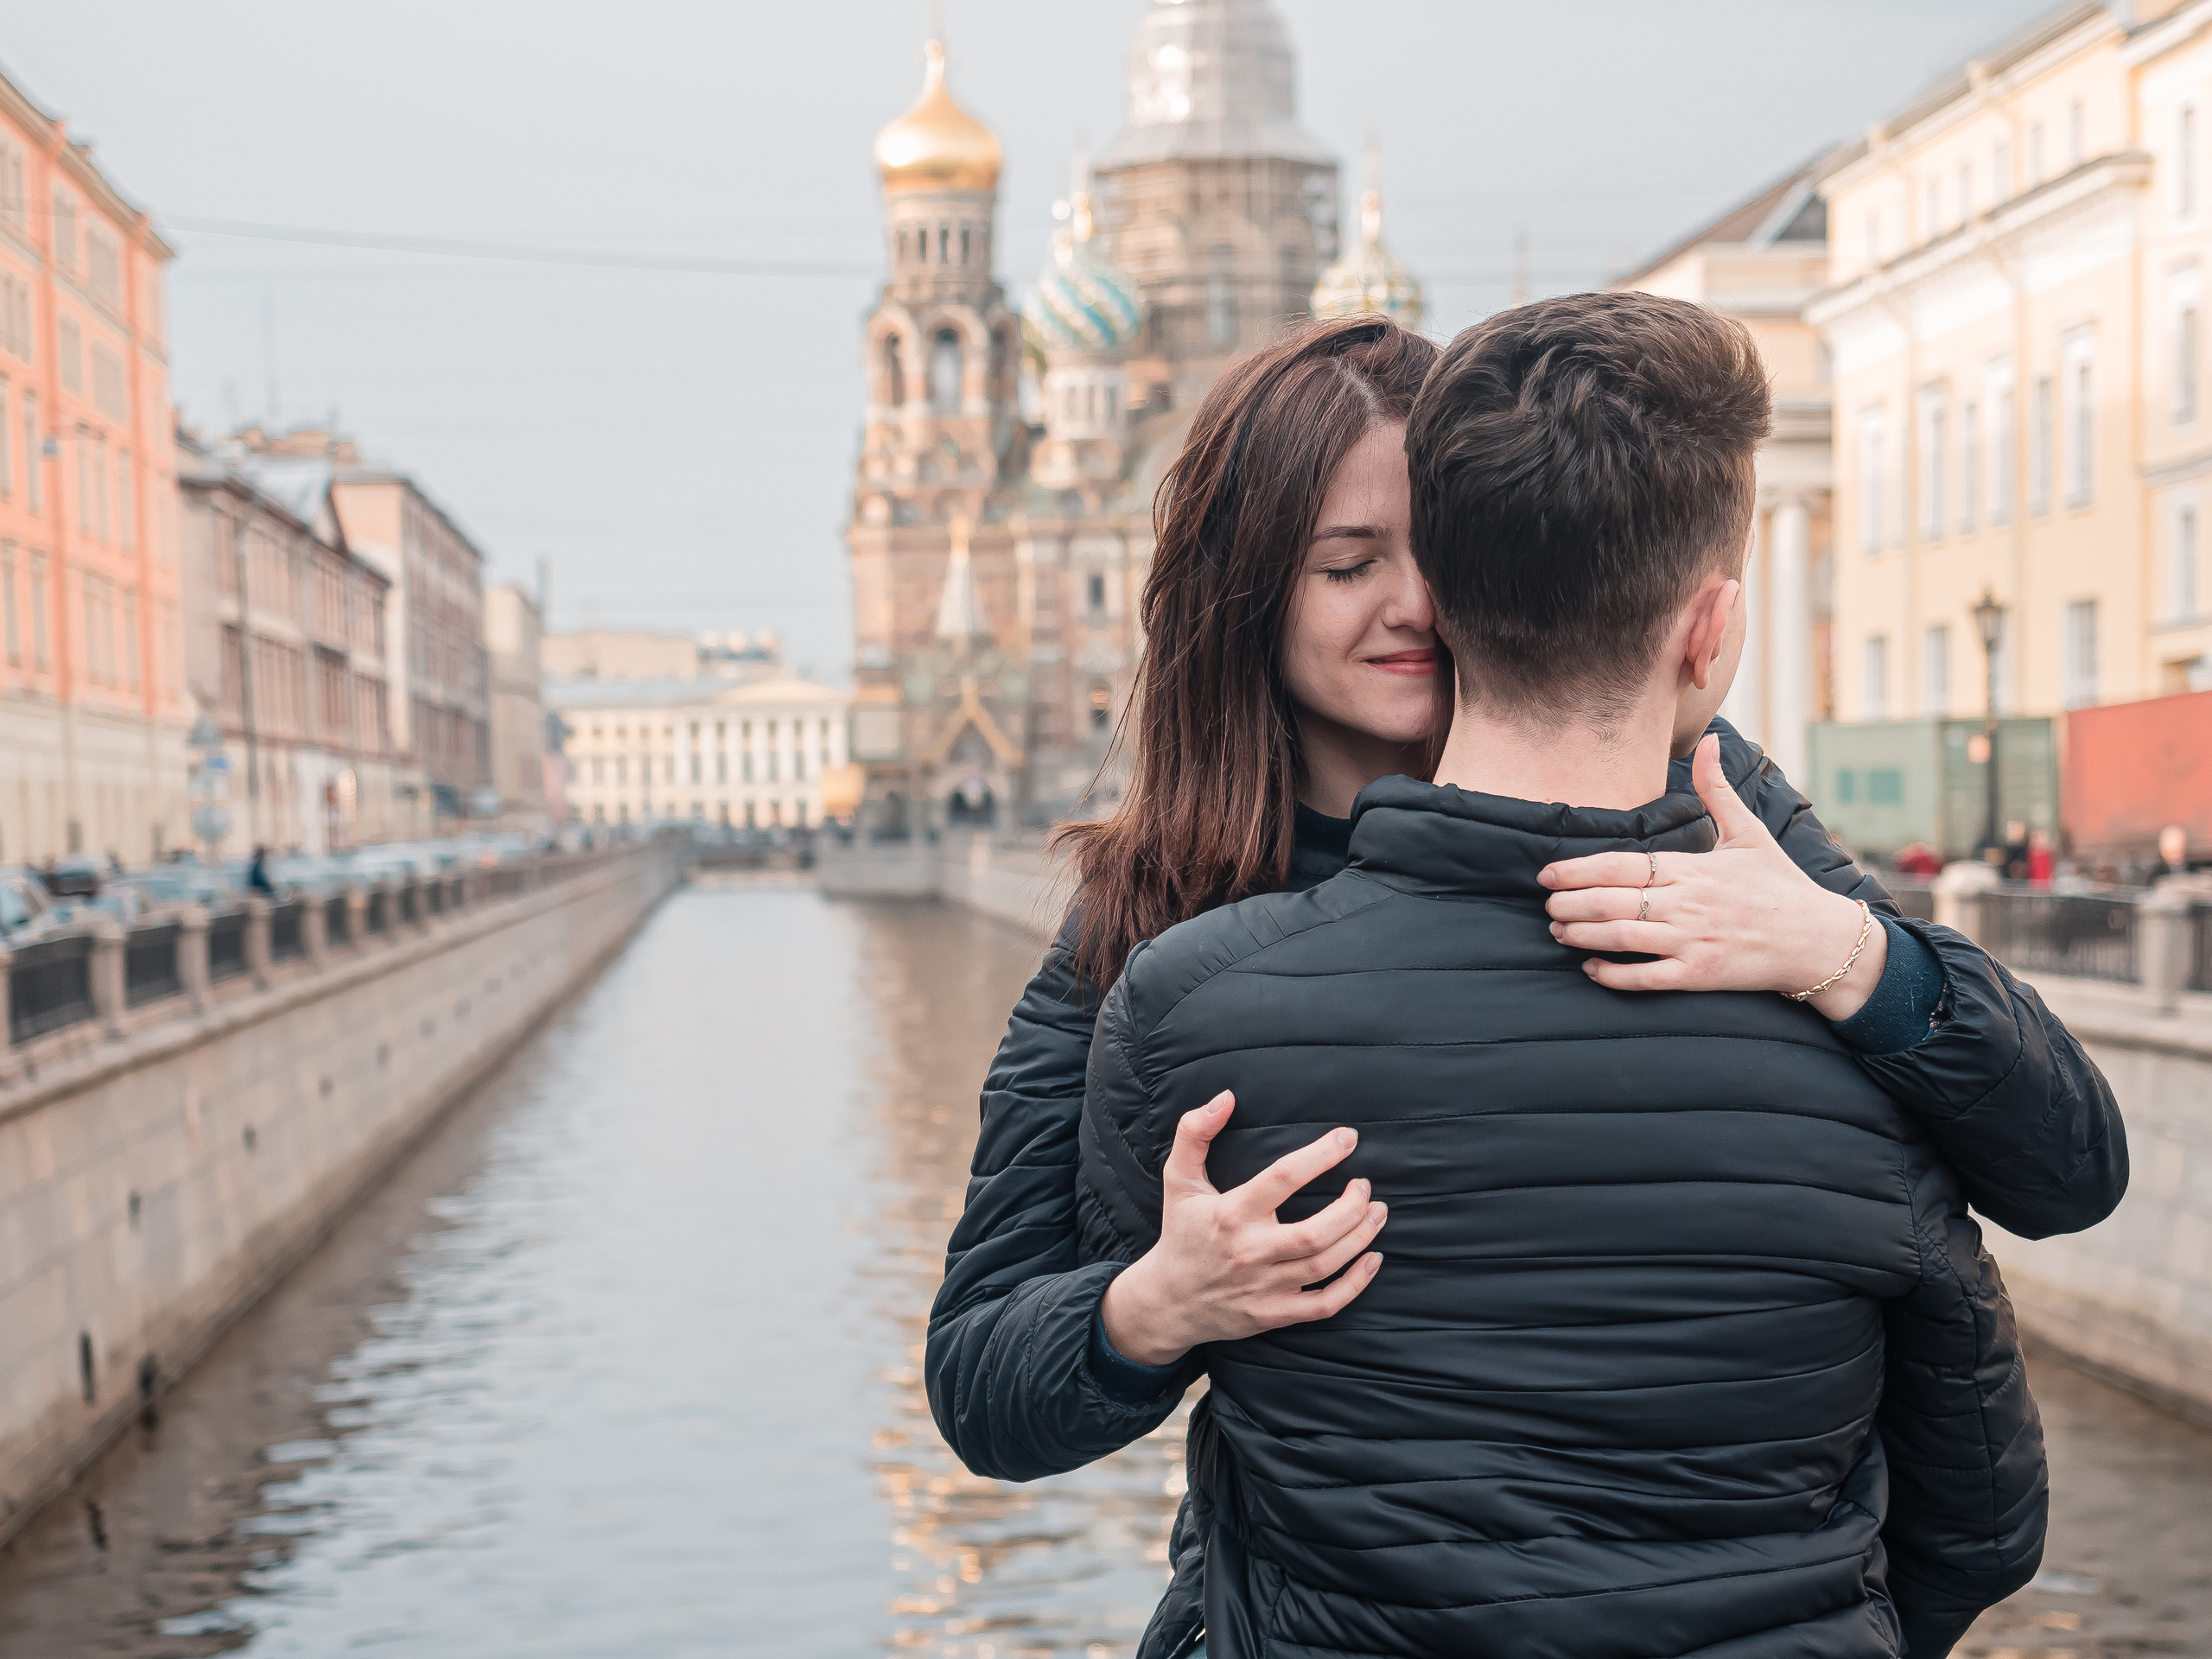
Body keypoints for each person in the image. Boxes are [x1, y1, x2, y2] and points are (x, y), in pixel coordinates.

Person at [924, 316, 2120, 1648]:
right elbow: (982, 1388)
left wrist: (1859, 958)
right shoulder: (1152, 921)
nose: (1416, 605)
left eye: (1442, 548)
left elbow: (2060, 1160)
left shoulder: (1706, 799)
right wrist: (1149, 1308)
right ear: (1246, 594)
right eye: (1345, 564)